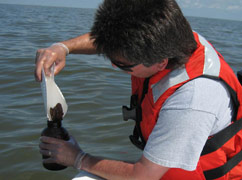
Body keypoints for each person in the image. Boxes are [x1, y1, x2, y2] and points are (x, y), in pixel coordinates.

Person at [36, 0, 242, 179]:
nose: (113, 66)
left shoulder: (193, 100)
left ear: (161, 63)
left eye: (123, 65)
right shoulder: (171, 35)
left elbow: (143, 176)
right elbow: (116, 40)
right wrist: (63, 47)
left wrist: (77, 158)